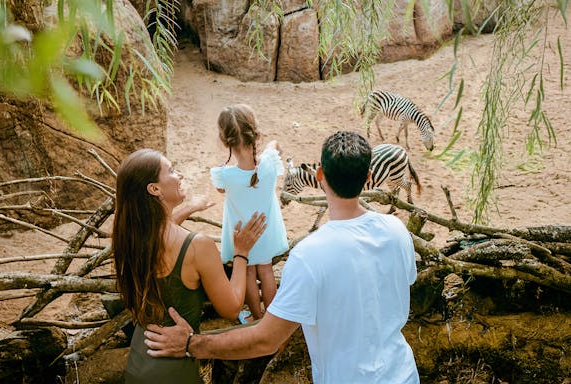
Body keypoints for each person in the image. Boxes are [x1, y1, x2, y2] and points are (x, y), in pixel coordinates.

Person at [143, 131, 420, 383]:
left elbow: (266, 339)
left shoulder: (310, 254)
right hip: (404, 374)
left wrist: (192, 344)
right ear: (369, 177)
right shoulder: (397, 231)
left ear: (320, 175)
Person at [112, 148, 267, 383]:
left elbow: (163, 226)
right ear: (154, 189)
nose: (180, 174)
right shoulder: (198, 247)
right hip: (174, 369)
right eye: (172, 170)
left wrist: (191, 207)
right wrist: (241, 253)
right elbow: (233, 307)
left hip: (139, 362)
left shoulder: (128, 239)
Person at [210, 103, 289, 322]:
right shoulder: (270, 163)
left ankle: (257, 317)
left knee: (248, 272)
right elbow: (275, 147)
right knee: (266, 271)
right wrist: (270, 145)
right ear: (256, 135)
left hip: (242, 236)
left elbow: (220, 189)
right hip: (266, 231)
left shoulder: (223, 175)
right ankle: (272, 319)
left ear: (225, 141)